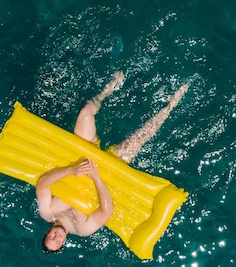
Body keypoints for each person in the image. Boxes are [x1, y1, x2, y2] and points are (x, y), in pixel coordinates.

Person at [36, 72, 189, 253]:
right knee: (142, 136)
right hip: (106, 172)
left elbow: (43, 184)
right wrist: (96, 177)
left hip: (81, 161)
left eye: (51, 238)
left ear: (47, 232)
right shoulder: (82, 228)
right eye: (57, 242)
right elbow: (106, 211)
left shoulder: (48, 212)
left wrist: (72, 170)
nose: (56, 237)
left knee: (85, 111)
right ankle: (172, 103)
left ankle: (110, 88)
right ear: (64, 243)